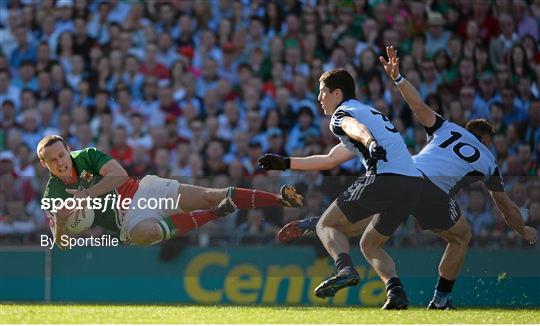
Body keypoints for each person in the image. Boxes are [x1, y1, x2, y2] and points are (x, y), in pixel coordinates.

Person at [274, 46, 538, 309]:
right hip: (422, 190)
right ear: (487, 140)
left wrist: (398, 78)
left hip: (406, 174)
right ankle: (436, 300)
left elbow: (417, 105)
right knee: (460, 237)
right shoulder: (489, 160)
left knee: (368, 238)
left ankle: (325, 230)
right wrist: (523, 230)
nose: (319, 97)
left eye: (321, 92)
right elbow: (506, 208)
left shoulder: (446, 129)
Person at [258, 68, 424, 309]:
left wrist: (369, 142)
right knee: (369, 243)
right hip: (412, 185)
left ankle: (344, 269)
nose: (319, 98)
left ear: (337, 93)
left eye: (322, 92)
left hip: (385, 179)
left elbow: (352, 126)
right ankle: (396, 293)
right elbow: (330, 159)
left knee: (328, 225)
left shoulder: (343, 114)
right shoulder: (368, 111)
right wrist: (285, 163)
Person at [38, 135, 303, 249]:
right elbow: (61, 244)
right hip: (128, 223)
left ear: (67, 149)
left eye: (62, 154)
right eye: (53, 160)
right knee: (146, 235)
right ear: (44, 164)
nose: (61, 162)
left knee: (211, 193)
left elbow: (119, 175)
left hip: (143, 190)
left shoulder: (87, 155)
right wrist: (60, 223)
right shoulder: (54, 193)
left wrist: (87, 195)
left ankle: (279, 199)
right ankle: (215, 214)